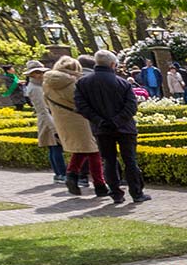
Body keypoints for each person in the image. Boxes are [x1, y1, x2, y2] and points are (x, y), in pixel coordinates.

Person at [76, 50, 147, 204]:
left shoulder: (82, 83)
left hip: (101, 129)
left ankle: (116, 193)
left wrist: (99, 120)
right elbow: (131, 107)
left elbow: (81, 106)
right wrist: (116, 121)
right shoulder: (122, 83)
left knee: (109, 161)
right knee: (130, 160)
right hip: (125, 128)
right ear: (113, 64)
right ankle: (136, 193)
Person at [43, 55, 107, 197]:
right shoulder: (73, 84)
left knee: (81, 150)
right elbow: (84, 101)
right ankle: (99, 184)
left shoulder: (47, 84)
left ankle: (72, 175)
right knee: (93, 151)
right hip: (80, 120)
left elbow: (46, 104)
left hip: (61, 121)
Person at [22, 60, 65, 184]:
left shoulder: (38, 86)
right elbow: (43, 110)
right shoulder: (35, 88)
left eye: (41, 72)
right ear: (31, 74)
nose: (41, 75)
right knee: (56, 147)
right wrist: (53, 127)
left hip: (48, 118)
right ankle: (61, 173)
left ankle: (58, 174)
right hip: (48, 120)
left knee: (53, 148)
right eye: (37, 73)